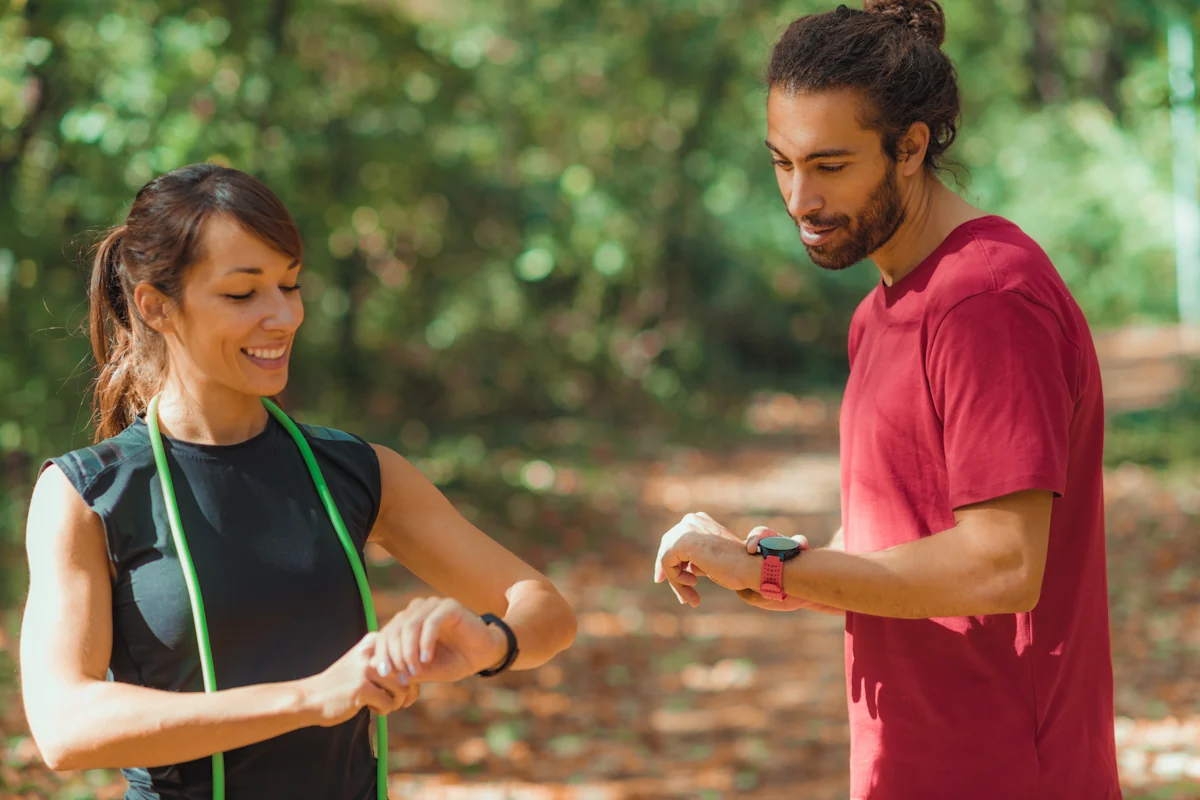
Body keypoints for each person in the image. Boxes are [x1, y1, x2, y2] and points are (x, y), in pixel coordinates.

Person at [653, 2, 1120, 798]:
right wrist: (766, 560)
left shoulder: (988, 298)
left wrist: (776, 576)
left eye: (830, 166)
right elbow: (892, 540)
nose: (800, 199)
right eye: (782, 162)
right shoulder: (878, 313)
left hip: (1005, 773)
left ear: (910, 147)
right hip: (904, 763)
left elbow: (1002, 564)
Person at [19, 163, 577, 799]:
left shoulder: (358, 471)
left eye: (290, 285)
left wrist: (488, 644)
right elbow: (64, 726)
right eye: (242, 294)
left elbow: (545, 608)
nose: (282, 317)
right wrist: (311, 697)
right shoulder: (87, 495)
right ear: (155, 305)